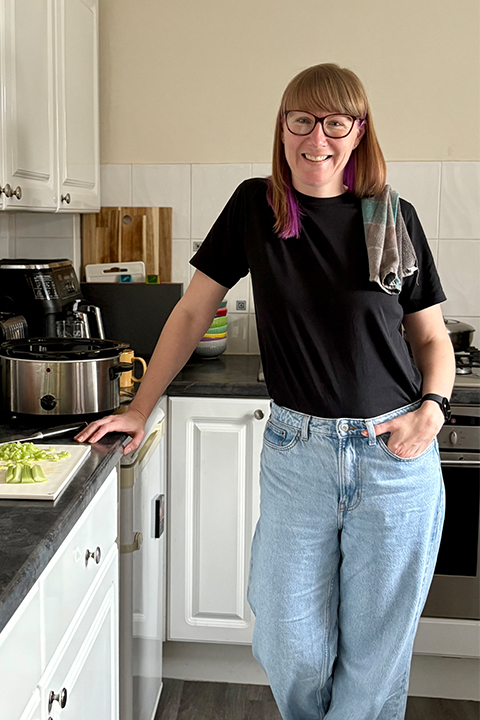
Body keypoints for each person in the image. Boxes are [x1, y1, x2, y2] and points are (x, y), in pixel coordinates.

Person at [76, 63, 455, 720]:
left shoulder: (390, 216)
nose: (318, 139)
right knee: (288, 642)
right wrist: (140, 406)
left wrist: (433, 410)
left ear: (359, 132)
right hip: (298, 453)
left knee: (375, 658)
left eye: (336, 123)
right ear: (282, 130)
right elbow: (192, 312)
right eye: (301, 121)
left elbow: (430, 339)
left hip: (394, 454)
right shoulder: (257, 206)